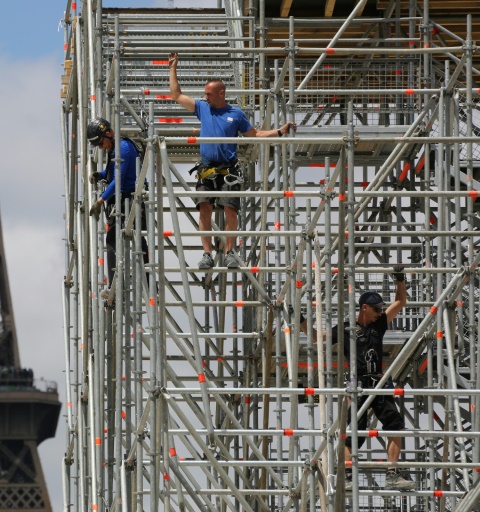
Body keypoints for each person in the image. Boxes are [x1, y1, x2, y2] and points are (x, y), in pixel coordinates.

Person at [168, 52, 295, 269]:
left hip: (229, 169)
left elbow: (254, 134)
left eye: (209, 94)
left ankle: (229, 252)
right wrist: (173, 68)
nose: (206, 97)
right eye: (205, 94)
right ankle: (207, 254)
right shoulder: (202, 108)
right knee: (204, 208)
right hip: (207, 168)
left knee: (230, 210)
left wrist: (279, 132)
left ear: (221, 93)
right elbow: (176, 94)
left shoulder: (236, 114)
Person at [300, 265, 415, 491]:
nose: (380, 312)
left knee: (395, 424)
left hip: (379, 382)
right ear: (364, 308)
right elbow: (315, 337)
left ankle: (392, 473)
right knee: (352, 430)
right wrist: (301, 318)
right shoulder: (345, 329)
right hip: (357, 384)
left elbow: (400, 302)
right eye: (376, 309)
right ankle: (347, 475)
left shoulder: (379, 324)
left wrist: (400, 280)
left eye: (381, 309)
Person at [87, 117, 149, 291]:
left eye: (100, 143)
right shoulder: (116, 148)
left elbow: (119, 179)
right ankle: (118, 284)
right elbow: (112, 172)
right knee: (125, 239)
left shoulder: (124, 148)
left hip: (131, 199)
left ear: (109, 134)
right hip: (123, 199)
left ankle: (117, 286)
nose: (100, 147)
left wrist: (100, 200)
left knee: (124, 240)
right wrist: (100, 174)